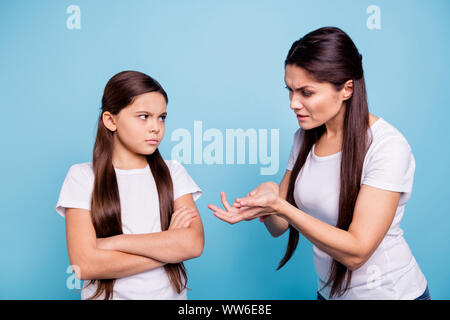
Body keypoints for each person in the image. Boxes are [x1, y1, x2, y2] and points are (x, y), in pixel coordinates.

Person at [208, 27, 430, 300]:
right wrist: (266, 202)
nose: (293, 103)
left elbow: (358, 252)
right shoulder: (304, 138)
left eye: (306, 92)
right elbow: (280, 226)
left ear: (347, 89)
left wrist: (282, 206)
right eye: (289, 90)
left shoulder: (387, 147)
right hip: (328, 293)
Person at [56, 70, 204, 300]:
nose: (156, 127)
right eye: (144, 116)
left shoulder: (173, 173)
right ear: (110, 120)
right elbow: (85, 264)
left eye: (161, 117)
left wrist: (112, 244)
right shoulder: (82, 177)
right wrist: (169, 246)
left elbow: (193, 244)